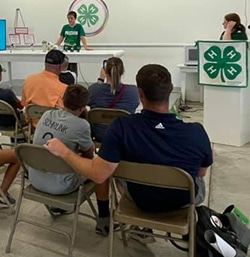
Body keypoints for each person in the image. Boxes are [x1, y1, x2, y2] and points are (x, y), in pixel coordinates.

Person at [45, 64, 213, 233]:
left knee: (112, 166)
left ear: (140, 94)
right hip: (182, 200)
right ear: (170, 91)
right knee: (195, 177)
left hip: (138, 198)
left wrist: (64, 151)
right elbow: (201, 173)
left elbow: (99, 174)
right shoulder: (196, 132)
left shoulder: (122, 127)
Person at [30, 85, 113, 228]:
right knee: (102, 171)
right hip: (61, 186)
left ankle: (58, 207)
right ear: (83, 107)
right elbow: (88, 158)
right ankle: (103, 220)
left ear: (62, 100)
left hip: (36, 178)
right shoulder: (82, 125)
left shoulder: (46, 115)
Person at [88, 57, 140, 142]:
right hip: (123, 136)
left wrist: (100, 79)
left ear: (105, 72)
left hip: (99, 135)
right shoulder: (133, 92)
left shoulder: (93, 90)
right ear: (122, 72)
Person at [21, 50, 68, 125]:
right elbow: (63, 113)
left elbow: (23, 103)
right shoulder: (63, 88)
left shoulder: (29, 80)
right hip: (52, 128)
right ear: (60, 67)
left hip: (32, 126)